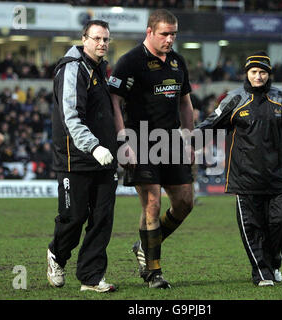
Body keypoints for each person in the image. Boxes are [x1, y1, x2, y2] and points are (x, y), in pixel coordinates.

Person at [195, 52, 282, 287]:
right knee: (253, 228)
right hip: (245, 178)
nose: (258, 76)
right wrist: (188, 141)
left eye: (262, 72)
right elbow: (210, 124)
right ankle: (262, 273)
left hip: (279, 177)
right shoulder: (234, 99)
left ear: (269, 75)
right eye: (253, 72)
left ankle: (274, 262)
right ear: (246, 74)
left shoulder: (281, 100)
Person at [108, 9, 194, 289]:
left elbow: (185, 103)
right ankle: (153, 273)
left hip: (171, 142)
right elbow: (114, 103)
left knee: (184, 203)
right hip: (139, 140)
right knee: (152, 204)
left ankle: (144, 246)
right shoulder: (129, 61)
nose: (170, 39)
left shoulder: (178, 61)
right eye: (164, 34)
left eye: (174, 34)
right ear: (149, 32)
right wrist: (123, 142)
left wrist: (190, 140)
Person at [47, 20, 118, 293]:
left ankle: (90, 277)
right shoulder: (72, 69)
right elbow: (70, 116)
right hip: (74, 158)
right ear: (84, 38)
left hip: (104, 159)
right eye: (97, 38)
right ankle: (57, 254)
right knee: (73, 217)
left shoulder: (99, 69)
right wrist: (94, 146)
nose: (102, 43)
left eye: (106, 39)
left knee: (102, 219)